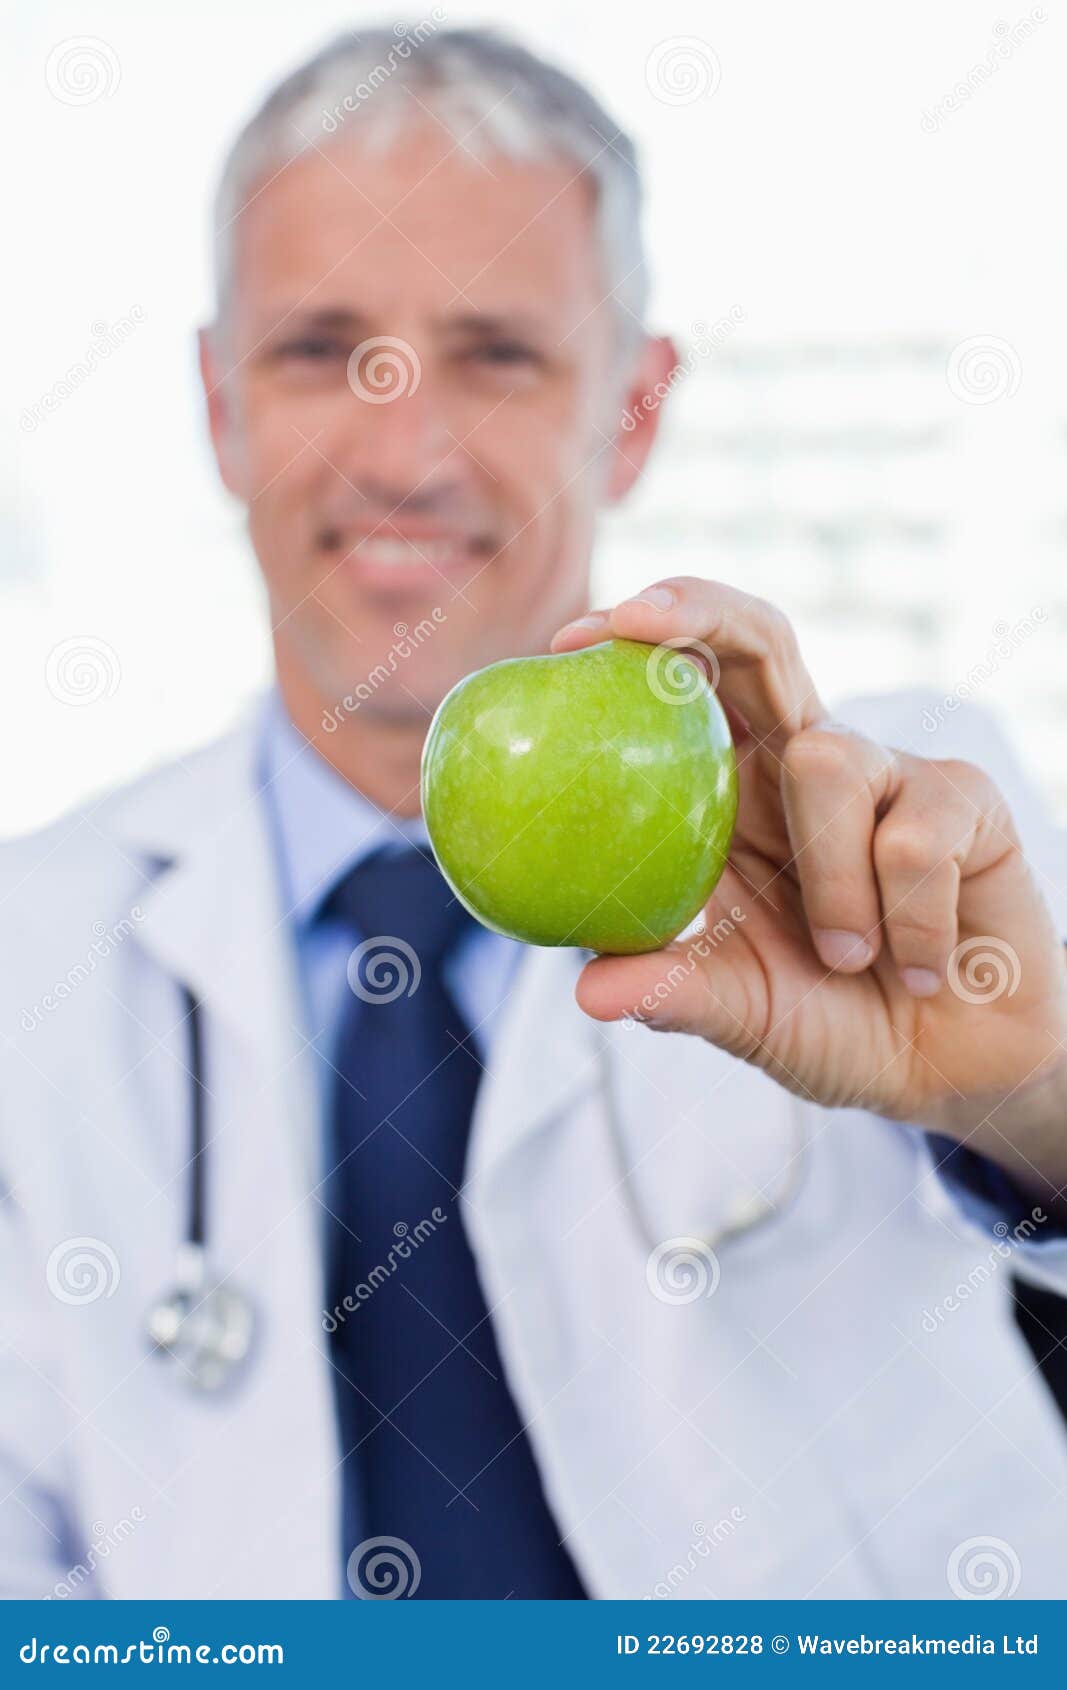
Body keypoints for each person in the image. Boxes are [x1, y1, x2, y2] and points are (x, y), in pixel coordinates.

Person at [3, 26, 1067, 1602]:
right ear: (220, 407)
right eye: (319, 351)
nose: (405, 452)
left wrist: (1032, 1111)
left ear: (632, 411)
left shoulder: (893, 825)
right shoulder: (36, 949)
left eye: (498, 353)